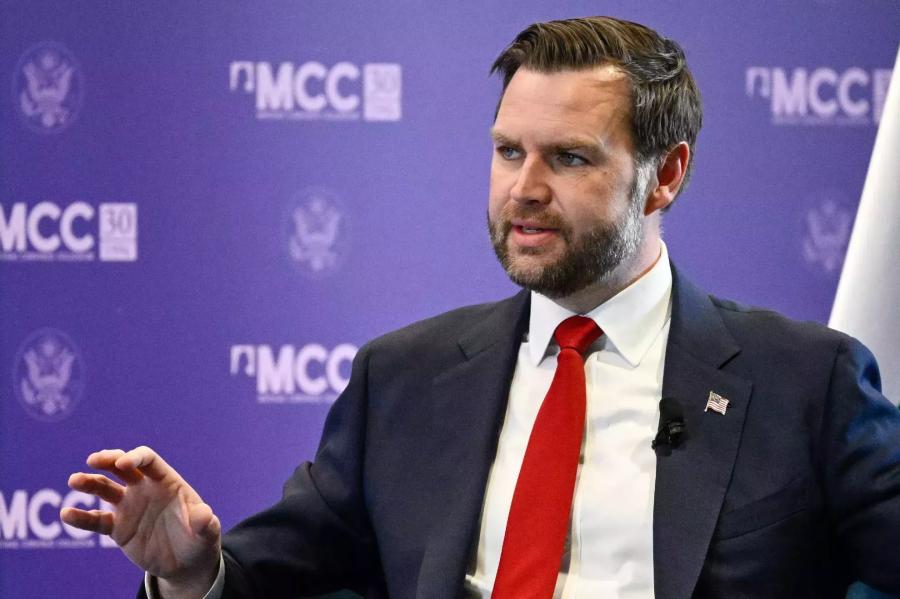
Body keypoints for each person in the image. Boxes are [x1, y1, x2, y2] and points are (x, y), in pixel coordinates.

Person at [61, 16, 900, 599]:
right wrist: (190, 572)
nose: (523, 189)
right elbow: (271, 579)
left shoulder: (805, 382)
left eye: (569, 158)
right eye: (507, 151)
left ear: (666, 175)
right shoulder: (402, 380)